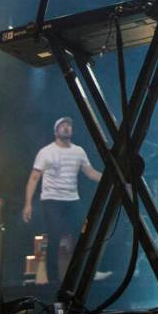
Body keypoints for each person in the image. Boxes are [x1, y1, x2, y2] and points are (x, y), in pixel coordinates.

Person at [22, 116, 102, 286]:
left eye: (69, 125)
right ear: (55, 130)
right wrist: (28, 204)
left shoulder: (79, 151)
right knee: (56, 236)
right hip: (52, 200)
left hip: (72, 199)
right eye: (62, 125)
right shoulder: (46, 152)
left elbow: (90, 173)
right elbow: (34, 178)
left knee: (83, 234)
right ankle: (52, 279)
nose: (66, 128)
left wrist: (112, 178)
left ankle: (85, 273)